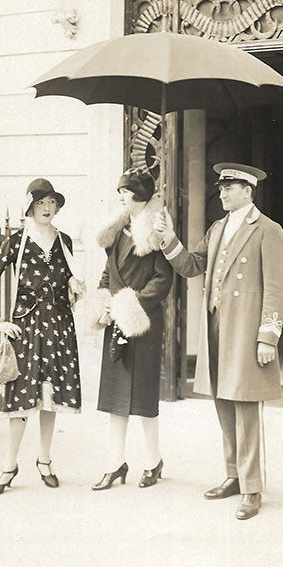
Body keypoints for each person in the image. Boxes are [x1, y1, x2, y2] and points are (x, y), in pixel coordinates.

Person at [154, 163, 283, 521]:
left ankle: (252, 488)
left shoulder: (267, 230)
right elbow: (191, 265)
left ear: (248, 190)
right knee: (223, 402)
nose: (223, 192)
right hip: (217, 327)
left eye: (230, 187)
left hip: (247, 329)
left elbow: (278, 288)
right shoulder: (217, 228)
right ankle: (233, 475)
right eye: (221, 187)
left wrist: (268, 337)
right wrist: (168, 237)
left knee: (245, 406)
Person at [0, 178, 84, 497]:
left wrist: (75, 289)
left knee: (50, 398)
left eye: (52, 203)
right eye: (41, 203)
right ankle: (9, 466)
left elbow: (68, 283)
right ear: (30, 207)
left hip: (59, 326)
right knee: (20, 400)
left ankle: (45, 461)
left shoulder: (64, 240)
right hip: (26, 327)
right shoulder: (16, 240)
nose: (48, 209)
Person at [81, 168, 174, 491]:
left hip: (142, 322)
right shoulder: (117, 232)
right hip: (116, 321)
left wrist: (131, 304)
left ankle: (153, 461)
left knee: (145, 397)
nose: (120, 196)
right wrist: (104, 301)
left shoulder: (157, 231)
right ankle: (115, 463)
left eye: (124, 191)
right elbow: (108, 274)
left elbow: (163, 280)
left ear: (138, 196)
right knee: (115, 397)